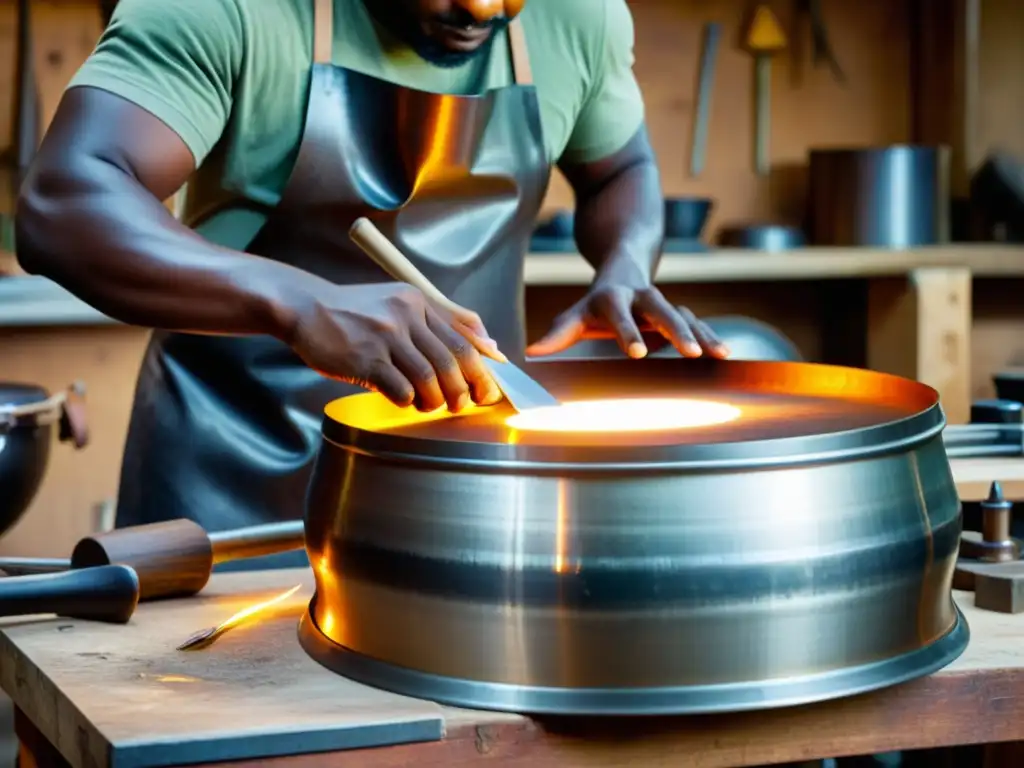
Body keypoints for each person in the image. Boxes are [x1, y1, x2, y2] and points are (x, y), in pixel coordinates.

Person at [15, 0, 729, 568]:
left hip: (465, 491)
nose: (482, 9)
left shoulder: (578, 15)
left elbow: (621, 171)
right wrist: (299, 302)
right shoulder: (227, 8)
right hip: (229, 489)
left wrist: (626, 267)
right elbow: (63, 202)